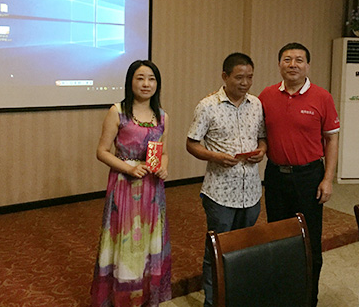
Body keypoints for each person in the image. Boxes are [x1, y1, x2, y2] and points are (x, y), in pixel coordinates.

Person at [258, 42, 340, 307]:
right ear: (279, 64)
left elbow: (331, 140)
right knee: (277, 237)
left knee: (309, 241)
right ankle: (280, 296)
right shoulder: (266, 95)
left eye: (299, 60)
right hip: (275, 176)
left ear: (307, 65)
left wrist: (328, 179)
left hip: (309, 177)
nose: (292, 64)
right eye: (287, 59)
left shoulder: (322, 97)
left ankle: (307, 299)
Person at [186, 52, 267, 307]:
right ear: (225, 76)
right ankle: (213, 302)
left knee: (243, 248)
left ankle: (237, 297)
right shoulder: (207, 106)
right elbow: (191, 144)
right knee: (217, 250)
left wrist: (262, 150)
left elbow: (262, 137)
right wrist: (215, 157)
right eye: (239, 77)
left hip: (251, 192)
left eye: (250, 77)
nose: (245, 83)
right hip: (220, 193)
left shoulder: (256, 104)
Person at [91, 60, 171, 307]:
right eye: (140, 78)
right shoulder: (118, 111)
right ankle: (122, 298)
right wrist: (130, 168)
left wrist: (164, 166)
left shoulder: (162, 116)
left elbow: (164, 152)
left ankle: (146, 296)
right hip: (125, 186)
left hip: (152, 188)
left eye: (151, 79)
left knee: (149, 240)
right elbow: (102, 151)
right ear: (130, 82)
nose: (146, 84)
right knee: (124, 240)